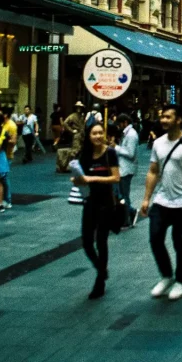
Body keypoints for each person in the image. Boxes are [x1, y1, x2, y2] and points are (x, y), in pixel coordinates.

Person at [140, 104, 182, 302]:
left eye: (168, 117)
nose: (163, 120)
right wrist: (146, 198)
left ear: (178, 120)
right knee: (155, 238)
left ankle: (180, 281)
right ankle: (166, 276)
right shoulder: (158, 143)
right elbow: (153, 171)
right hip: (161, 201)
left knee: (180, 244)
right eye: (162, 117)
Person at [70, 123, 120, 299]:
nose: (98, 136)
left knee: (101, 240)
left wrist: (91, 178)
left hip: (106, 202)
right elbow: (80, 176)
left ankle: (100, 281)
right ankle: (101, 267)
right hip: (90, 201)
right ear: (89, 136)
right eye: (94, 133)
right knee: (86, 241)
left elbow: (116, 177)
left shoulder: (110, 153)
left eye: (100, 133)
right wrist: (77, 179)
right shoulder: (85, 154)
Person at [114, 112, 139, 226]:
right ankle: (129, 214)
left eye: (119, 124)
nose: (118, 127)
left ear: (125, 122)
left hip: (126, 168)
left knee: (124, 195)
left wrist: (116, 148)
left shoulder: (131, 135)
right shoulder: (127, 133)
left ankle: (128, 217)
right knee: (121, 194)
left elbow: (130, 153)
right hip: (123, 168)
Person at [56, 101, 85, 174]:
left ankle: (73, 165)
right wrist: (72, 131)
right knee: (75, 150)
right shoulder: (72, 116)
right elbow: (65, 123)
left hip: (82, 134)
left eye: (80, 107)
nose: (79, 109)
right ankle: (66, 165)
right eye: (77, 107)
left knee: (80, 149)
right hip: (77, 134)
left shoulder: (81, 116)